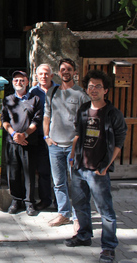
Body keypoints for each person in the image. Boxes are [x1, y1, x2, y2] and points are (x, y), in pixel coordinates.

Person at [65, 70, 127, 263]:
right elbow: (77, 134)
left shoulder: (113, 114)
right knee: (80, 204)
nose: (93, 89)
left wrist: (107, 165)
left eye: (98, 86)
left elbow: (119, 142)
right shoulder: (83, 109)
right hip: (79, 167)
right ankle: (84, 235)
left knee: (105, 209)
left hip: (98, 169)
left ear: (105, 90)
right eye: (90, 86)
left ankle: (108, 247)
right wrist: (73, 157)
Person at [43, 58, 89, 227]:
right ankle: (63, 214)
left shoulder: (81, 95)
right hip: (54, 146)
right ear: (59, 72)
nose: (66, 72)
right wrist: (46, 137)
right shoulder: (52, 92)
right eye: (63, 69)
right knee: (58, 182)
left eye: (69, 69)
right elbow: (47, 116)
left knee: (77, 184)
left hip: (73, 147)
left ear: (74, 72)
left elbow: (87, 121)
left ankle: (77, 218)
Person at [2, 71, 42, 216]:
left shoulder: (35, 99)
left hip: (28, 143)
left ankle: (29, 203)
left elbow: (36, 121)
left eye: (22, 80)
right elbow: (4, 120)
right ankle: (16, 200)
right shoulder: (8, 100)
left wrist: (24, 135)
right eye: (16, 80)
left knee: (29, 173)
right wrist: (14, 134)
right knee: (13, 173)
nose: (18, 82)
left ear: (27, 82)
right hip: (12, 142)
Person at [29, 64, 57, 211]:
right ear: (37, 75)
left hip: (58, 137)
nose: (44, 76)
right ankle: (45, 200)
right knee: (43, 170)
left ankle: (60, 203)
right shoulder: (33, 92)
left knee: (59, 172)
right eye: (41, 74)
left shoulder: (59, 90)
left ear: (51, 75)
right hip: (39, 137)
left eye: (46, 74)